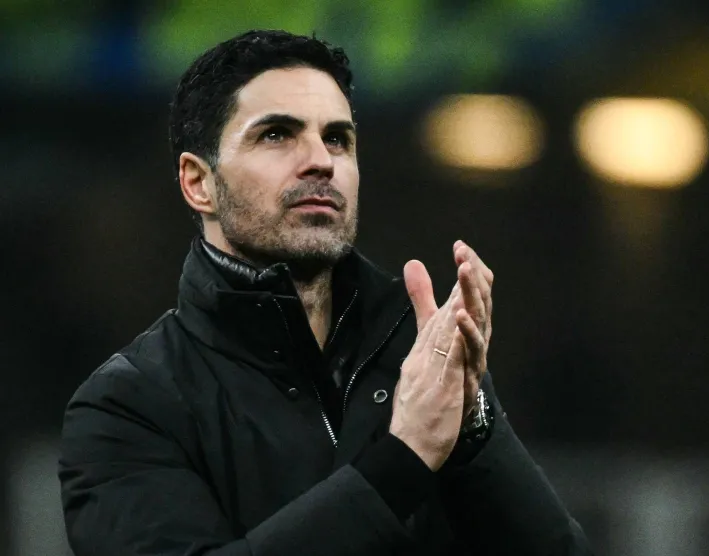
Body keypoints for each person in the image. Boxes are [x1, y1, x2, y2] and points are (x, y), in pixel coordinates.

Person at [58, 29, 592, 555]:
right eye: (276, 135)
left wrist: (472, 425)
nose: (321, 159)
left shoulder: (419, 353)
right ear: (199, 183)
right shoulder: (126, 407)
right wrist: (403, 458)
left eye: (337, 138)